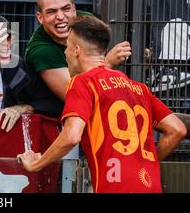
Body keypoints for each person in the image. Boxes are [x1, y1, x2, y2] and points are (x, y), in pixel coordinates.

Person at [18, 15, 187, 193]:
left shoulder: (82, 82)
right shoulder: (139, 88)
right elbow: (177, 130)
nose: (65, 55)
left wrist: (37, 163)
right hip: (149, 184)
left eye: (66, 48)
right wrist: (145, 162)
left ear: (76, 50)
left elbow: (72, 136)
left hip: (114, 187)